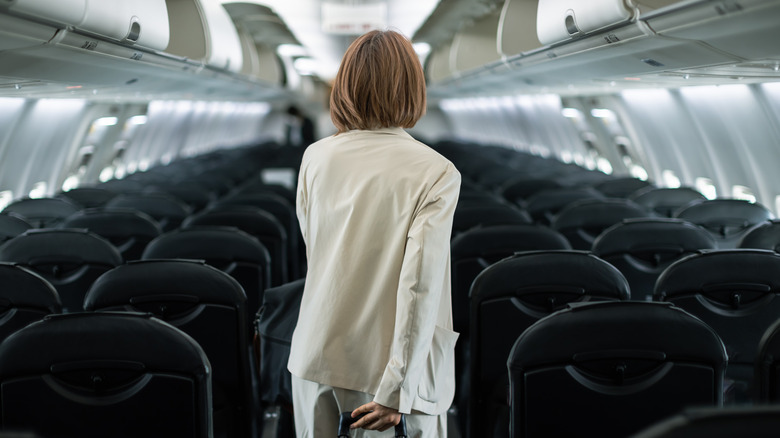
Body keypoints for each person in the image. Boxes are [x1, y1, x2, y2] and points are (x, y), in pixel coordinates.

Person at [288, 29, 461, 437]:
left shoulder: (316, 157)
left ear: (345, 86)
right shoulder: (436, 171)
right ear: (411, 88)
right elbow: (419, 287)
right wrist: (396, 391)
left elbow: (320, 256)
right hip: (389, 376)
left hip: (316, 360)